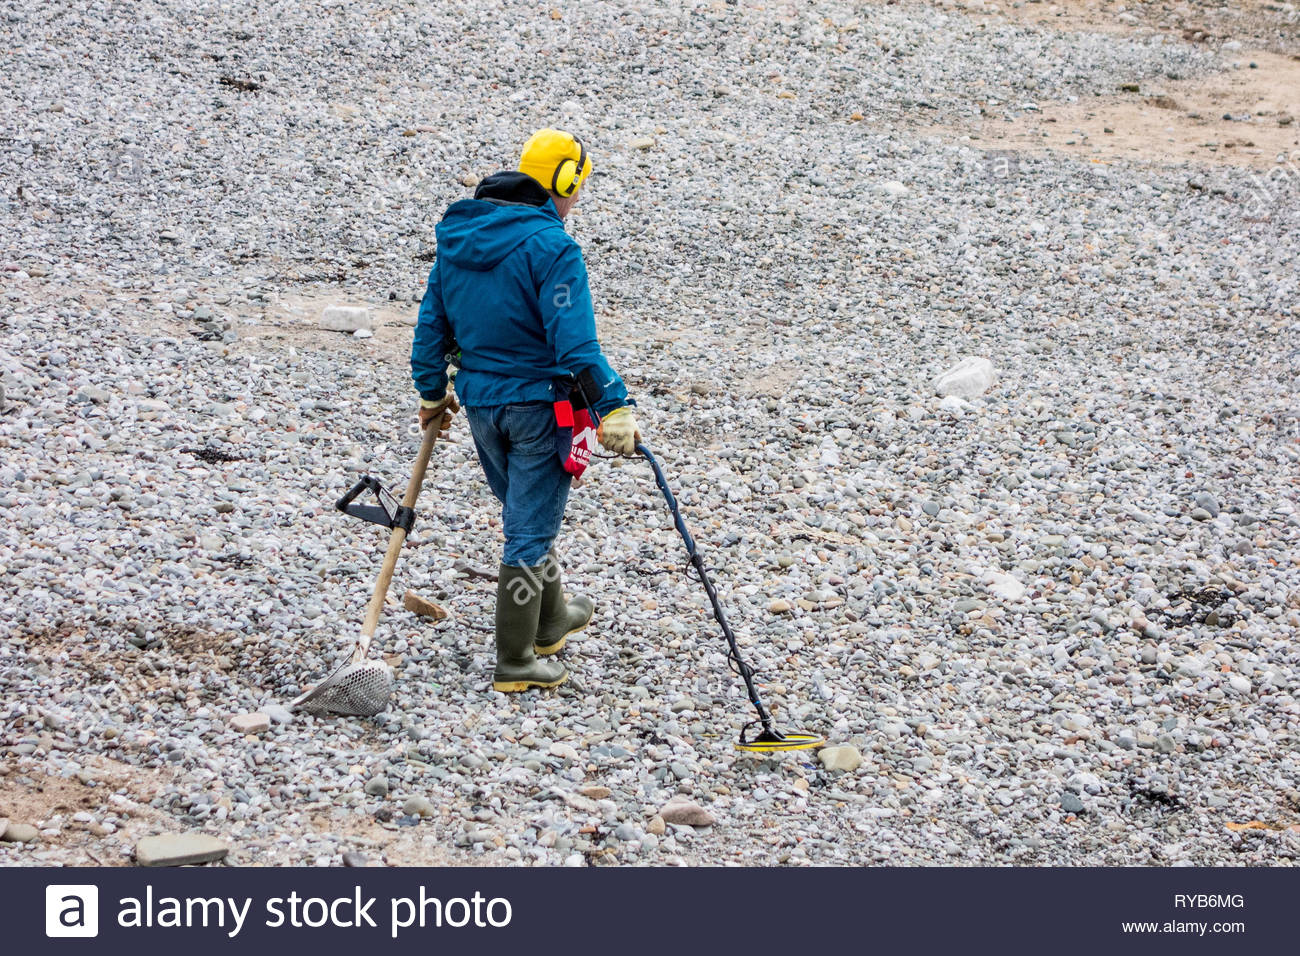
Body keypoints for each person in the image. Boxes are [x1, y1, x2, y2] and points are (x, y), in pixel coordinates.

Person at [411, 129, 640, 693]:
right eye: (577, 187)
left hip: (481, 406)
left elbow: (430, 327)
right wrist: (614, 405)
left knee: (527, 515)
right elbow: (576, 344)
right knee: (527, 533)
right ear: (563, 181)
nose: (577, 198)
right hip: (540, 408)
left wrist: (431, 392)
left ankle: (553, 619)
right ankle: (517, 660)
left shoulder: (459, 238)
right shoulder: (553, 247)